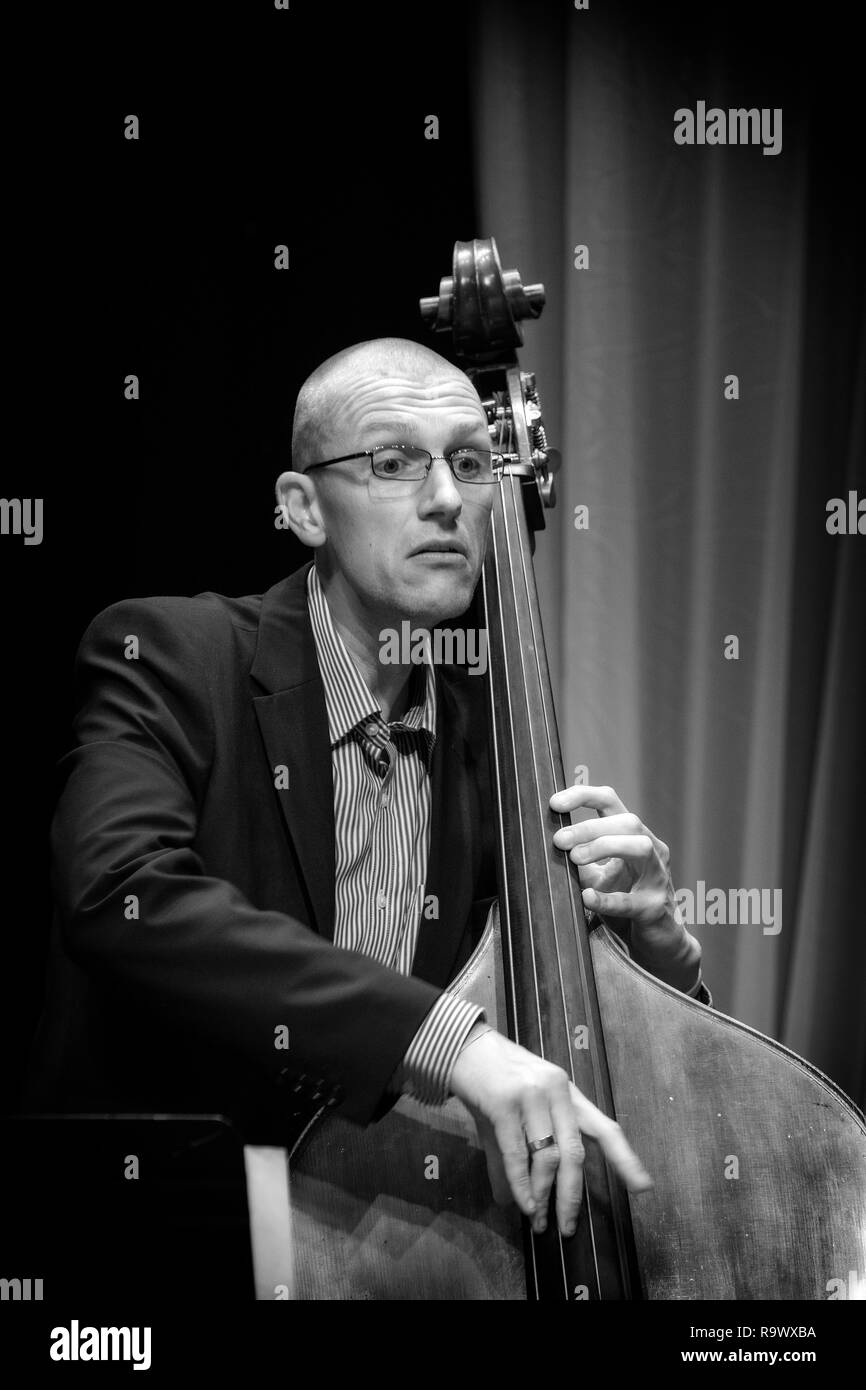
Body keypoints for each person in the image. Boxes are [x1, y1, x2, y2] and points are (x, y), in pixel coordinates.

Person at [26, 337, 706, 1244]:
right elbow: (121, 894)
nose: (447, 498)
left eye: (472, 463)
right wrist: (448, 1041)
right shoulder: (172, 655)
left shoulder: (498, 745)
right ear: (303, 508)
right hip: (154, 1233)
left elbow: (575, 1067)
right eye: (394, 463)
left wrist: (658, 952)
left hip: (379, 1254)